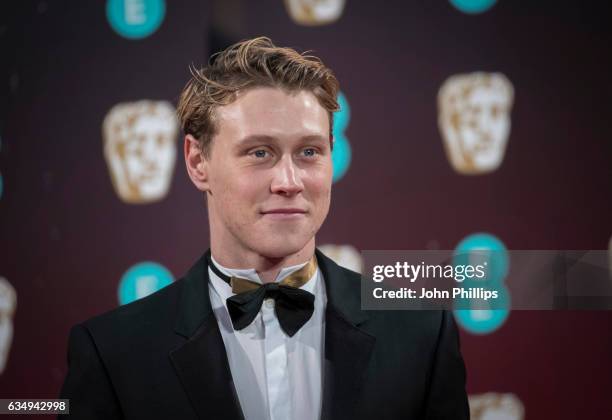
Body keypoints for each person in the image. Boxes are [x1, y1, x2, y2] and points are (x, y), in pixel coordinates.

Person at [60, 37, 469, 419]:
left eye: (309, 152)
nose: (289, 181)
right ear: (197, 161)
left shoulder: (422, 335)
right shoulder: (113, 352)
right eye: (260, 152)